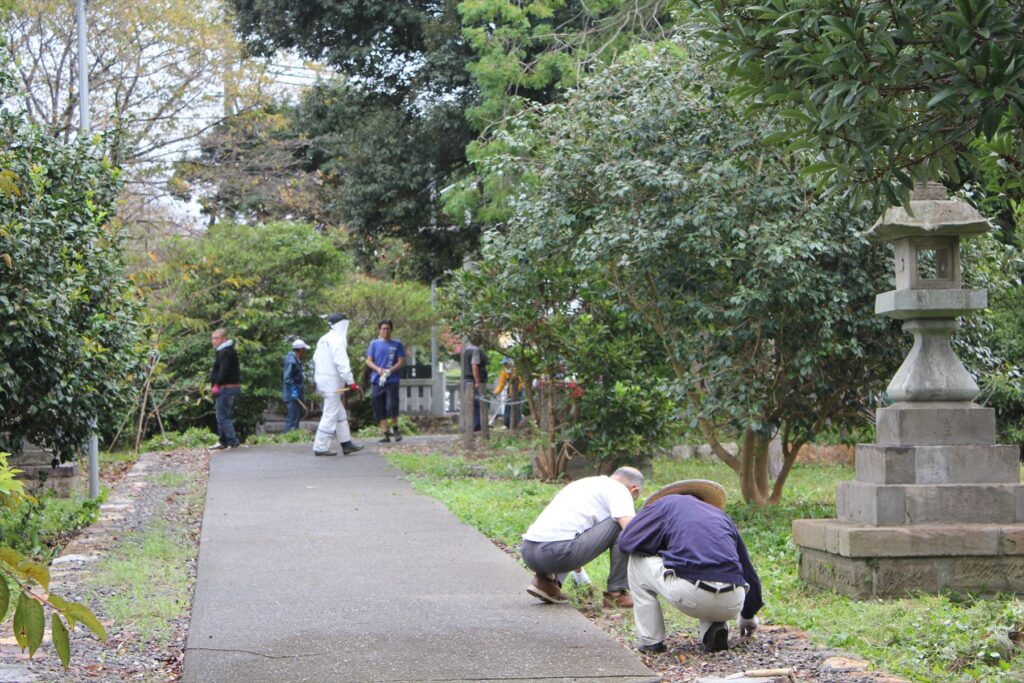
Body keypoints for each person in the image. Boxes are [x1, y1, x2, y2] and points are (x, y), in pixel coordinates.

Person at [617, 479, 763, 655]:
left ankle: (651, 640)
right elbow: (748, 571)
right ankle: (714, 629)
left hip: (691, 596)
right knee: (711, 567)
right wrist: (748, 616)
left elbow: (626, 543)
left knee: (636, 559)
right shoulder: (721, 517)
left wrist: (659, 549)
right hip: (733, 601)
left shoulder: (667, 503)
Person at [521, 466, 644, 608]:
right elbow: (631, 532)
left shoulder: (584, 483)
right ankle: (616, 595)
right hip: (555, 554)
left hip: (528, 551)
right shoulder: (620, 490)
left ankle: (545, 583)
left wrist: (581, 577)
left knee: (575, 532)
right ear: (634, 490)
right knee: (619, 525)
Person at [311, 313, 364, 456]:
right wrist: (351, 382)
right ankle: (321, 446)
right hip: (332, 383)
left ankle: (346, 443)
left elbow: (316, 360)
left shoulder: (324, 339)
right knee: (330, 413)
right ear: (341, 325)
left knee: (339, 413)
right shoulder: (337, 340)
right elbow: (342, 363)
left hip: (323, 381)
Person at [366, 320, 406, 443]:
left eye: (388, 328)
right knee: (378, 405)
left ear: (391, 330)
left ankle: (395, 428)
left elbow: (401, 361)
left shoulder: (397, 344)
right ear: (379, 330)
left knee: (392, 404)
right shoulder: (374, 344)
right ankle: (385, 433)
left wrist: (390, 370)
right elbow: (369, 360)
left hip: (392, 379)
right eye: (383, 328)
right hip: (377, 380)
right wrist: (377, 369)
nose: (386, 331)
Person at [209, 328, 242, 450]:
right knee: (222, 415)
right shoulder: (228, 350)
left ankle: (233, 441)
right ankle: (222, 441)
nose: (213, 341)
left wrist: (217, 385)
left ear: (223, 339)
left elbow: (224, 370)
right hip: (232, 388)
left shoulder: (225, 352)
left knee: (223, 416)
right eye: (212, 338)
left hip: (226, 389)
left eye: (216, 338)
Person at [282, 339, 310, 432]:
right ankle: (288, 438)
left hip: (296, 394)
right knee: (292, 418)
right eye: (304, 350)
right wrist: (293, 390)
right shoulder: (291, 361)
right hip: (292, 395)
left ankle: (293, 436)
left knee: (296, 417)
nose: (304, 352)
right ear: (301, 349)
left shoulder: (295, 360)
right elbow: (287, 378)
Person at [461, 338, 488, 431]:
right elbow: (474, 365)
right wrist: (477, 381)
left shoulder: (467, 351)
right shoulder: (476, 350)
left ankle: (471, 426)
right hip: (473, 380)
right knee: (477, 404)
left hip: (467, 380)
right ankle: (476, 426)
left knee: (470, 404)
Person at [493, 356, 524, 429]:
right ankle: (507, 425)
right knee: (507, 410)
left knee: (517, 410)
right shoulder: (504, 372)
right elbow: (501, 384)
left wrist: (516, 391)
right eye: (504, 364)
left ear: (511, 363)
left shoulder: (517, 371)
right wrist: (496, 392)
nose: (504, 365)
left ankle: (517, 426)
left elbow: (521, 383)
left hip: (518, 393)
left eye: (506, 363)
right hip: (509, 393)